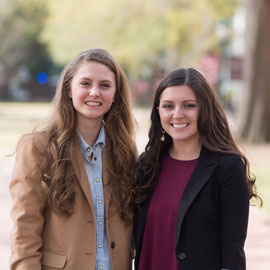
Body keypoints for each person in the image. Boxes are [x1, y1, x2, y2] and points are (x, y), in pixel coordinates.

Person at [10, 48, 137, 270]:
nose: (95, 92)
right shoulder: (38, 148)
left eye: (105, 85)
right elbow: (25, 231)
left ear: (115, 94)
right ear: (69, 88)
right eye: (85, 83)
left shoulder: (125, 151)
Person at [133, 68, 259, 270]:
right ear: (158, 112)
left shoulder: (227, 167)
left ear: (205, 110)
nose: (177, 114)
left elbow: (232, 251)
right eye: (168, 106)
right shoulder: (147, 164)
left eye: (188, 105)